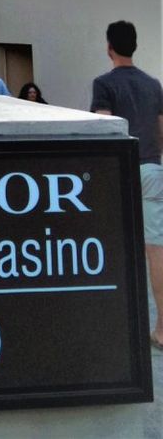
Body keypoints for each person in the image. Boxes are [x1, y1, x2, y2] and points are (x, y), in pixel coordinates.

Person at [91, 19, 163, 351]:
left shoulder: (104, 84)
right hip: (151, 167)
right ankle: (161, 329)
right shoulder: (153, 85)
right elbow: (161, 131)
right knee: (156, 249)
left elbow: (107, 130)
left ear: (109, 48)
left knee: (113, 246)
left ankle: (115, 326)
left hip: (120, 171)